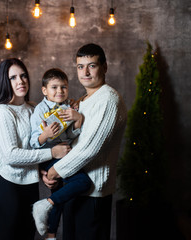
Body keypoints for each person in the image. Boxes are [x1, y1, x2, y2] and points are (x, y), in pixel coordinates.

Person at [43, 43, 128, 240]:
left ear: (104, 67)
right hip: (74, 187)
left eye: (92, 65)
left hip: (93, 193)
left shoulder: (107, 99)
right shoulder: (84, 100)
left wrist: (55, 171)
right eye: (81, 66)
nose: (86, 72)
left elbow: (89, 149)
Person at [0, 58, 70, 240]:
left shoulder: (34, 109)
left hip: (30, 187)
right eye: (13, 77)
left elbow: (35, 145)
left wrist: (43, 172)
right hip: (7, 187)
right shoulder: (2, 112)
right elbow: (11, 155)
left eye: (23, 76)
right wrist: (52, 153)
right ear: (4, 82)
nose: (20, 81)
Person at [29, 68, 91, 239]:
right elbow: (33, 142)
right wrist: (45, 135)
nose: (59, 91)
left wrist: (77, 120)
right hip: (48, 155)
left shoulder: (66, 107)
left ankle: (51, 235)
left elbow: (70, 135)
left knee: (58, 196)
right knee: (83, 182)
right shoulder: (40, 111)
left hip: (65, 154)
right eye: (54, 87)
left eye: (63, 87)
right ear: (44, 90)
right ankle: (44, 206)